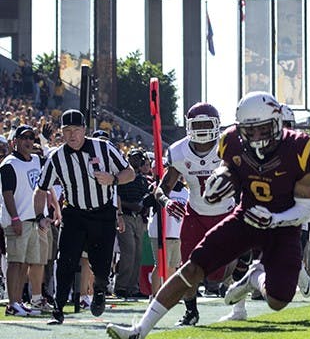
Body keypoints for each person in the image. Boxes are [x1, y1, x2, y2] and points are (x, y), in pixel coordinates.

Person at [106, 92, 310, 339]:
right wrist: (223, 179)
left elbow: (305, 207)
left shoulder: (300, 148)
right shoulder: (231, 142)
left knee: (277, 299)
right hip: (244, 216)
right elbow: (230, 172)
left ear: (277, 122)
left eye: (263, 128)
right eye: (250, 130)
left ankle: (254, 277)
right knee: (193, 268)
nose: (257, 136)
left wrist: (280, 218)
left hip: (284, 224)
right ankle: (140, 330)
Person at [34, 109, 135, 325]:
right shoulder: (56, 157)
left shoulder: (104, 147)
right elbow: (41, 188)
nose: (72, 135)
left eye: (76, 130)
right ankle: (58, 309)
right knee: (65, 262)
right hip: (74, 214)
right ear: (61, 132)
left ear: (84, 130)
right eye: (67, 130)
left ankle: (99, 290)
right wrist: (39, 216)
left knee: (101, 263)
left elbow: (130, 173)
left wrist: (113, 179)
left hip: (103, 213)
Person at [152, 102, 238, 326]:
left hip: (224, 213)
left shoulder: (227, 147)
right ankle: (191, 313)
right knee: (187, 267)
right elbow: (161, 188)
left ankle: (241, 261)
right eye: (196, 124)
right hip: (195, 214)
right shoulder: (179, 151)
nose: (201, 128)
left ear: (216, 125)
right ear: (188, 126)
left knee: (216, 276)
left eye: (205, 124)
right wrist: (167, 202)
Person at [0, 125, 45, 316]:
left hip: (33, 220)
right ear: (15, 141)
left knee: (25, 263)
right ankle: (12, 303)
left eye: (31, 138)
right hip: (17, 219)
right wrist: (15, 218)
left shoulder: (36, 160)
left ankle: (18, 301)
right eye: (24, 138)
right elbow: (7, 193)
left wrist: (42, 216)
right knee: (15, 262)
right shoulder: (9, 164)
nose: (28, 141)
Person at [114, 149, 153, 299]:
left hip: (139, 218)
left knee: (138, 254)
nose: (137, 160)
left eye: (140, 158)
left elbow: (145, 198)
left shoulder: (142, 180)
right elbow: (116, 197)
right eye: (135, 157)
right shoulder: (123, 177)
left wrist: (143, 208)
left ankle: (133, 287)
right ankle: (121, 286)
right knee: (128, 252)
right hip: (126, 216)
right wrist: (131, 206)